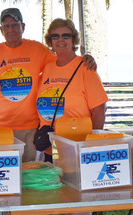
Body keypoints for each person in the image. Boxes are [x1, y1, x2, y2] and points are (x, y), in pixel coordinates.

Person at [0, 8, 96, 162]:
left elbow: (63, 63)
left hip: (32, 127)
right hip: (2, 126)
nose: (11, 30)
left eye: (15, 25)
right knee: (7, 177)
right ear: (1, 30)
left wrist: (86, 59)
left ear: (23, 27)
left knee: (32, 177)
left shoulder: (37, 49)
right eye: (6, 26)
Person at [36, 18, 108, 161]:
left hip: (77, 149)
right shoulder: (47, 68)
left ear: (73, 39)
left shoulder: (85, 67)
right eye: (55, 36)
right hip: (50, 148)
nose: (60, 40)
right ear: (50, 41)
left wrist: (91, 144)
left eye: (66, 36)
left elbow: (99, 109)